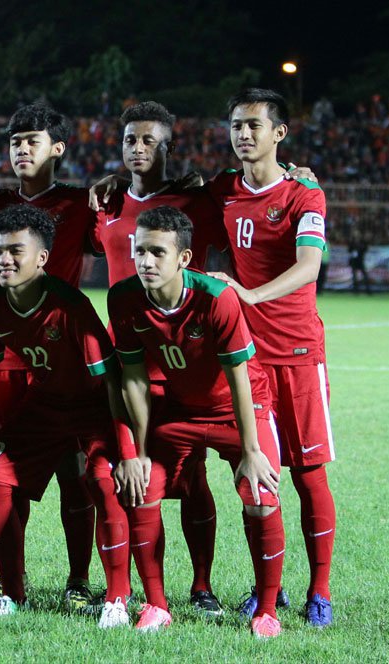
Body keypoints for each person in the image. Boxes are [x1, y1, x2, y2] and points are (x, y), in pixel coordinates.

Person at [107, 205, 286, 638]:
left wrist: (251, 451)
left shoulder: (215, 298)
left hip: (240, 408)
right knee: (143, 487)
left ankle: (266, 611)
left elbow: (239, 380)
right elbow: (133, 378)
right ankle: (156, 604)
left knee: (260, 492)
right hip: (182, 412)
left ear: (184, 259)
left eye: (157, 253)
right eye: (139, 251)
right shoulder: (124, 297)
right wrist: (142, 451)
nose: (145, 262)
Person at [0, 205, 134, 626]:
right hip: (45, 406)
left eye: (16, 250)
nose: (3, 260)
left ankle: (117, 599)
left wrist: (125, 450)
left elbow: (110, 382)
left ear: (42, 258)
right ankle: (12, 593)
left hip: (90, 410)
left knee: (104, 481)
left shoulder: (70, 307)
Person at [0, 102, 101, 613]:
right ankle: (6, 583)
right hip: (6, 364)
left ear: (57, 148)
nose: (21, 148)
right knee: (2, 474)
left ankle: (79, 580)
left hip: (62, 359)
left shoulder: (81, 203)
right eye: (15, 141)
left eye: (32, 140)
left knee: (76, 474)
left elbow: (136, 207)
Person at [90, 101, 225, 615]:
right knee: (121, 473)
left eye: (149, 141)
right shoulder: (105, 201)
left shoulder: (196, 203)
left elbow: (238, 205)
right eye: (130, 140)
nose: (138, 148)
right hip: (125, 360)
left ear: (169, 147)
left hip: (181, 362)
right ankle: (122, 591)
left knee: (192, 479)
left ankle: (201, 585)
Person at [208, 88, 336, 628]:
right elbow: (168, 190)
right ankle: (270, 592)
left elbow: (310, 267)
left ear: (279, 133)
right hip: (247, 360)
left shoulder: (306, 194)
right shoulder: (222, 191)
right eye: (236, 125)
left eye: (253, 125)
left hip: (300, 354)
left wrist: (249, 295)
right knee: (255, 477)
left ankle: (320, 592)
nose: (243, 134)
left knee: (308, 478)